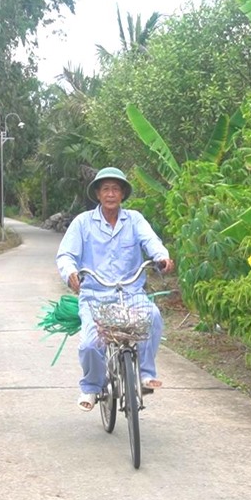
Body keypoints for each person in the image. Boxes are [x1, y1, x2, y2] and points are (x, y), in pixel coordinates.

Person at [56, 167, 175, 411]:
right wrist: (70, 272)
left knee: (153, 317)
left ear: (122, 194)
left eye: (116, 189)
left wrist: (162, 258)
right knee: (90, 344)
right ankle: (91, 387)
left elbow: (152, 242)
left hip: (131, 294)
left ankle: (144, 374)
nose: (111, 194)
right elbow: (66, 254)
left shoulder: (134, 220)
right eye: (106, 189)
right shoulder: (83, 223)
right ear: (98, 194)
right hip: (95, 297)